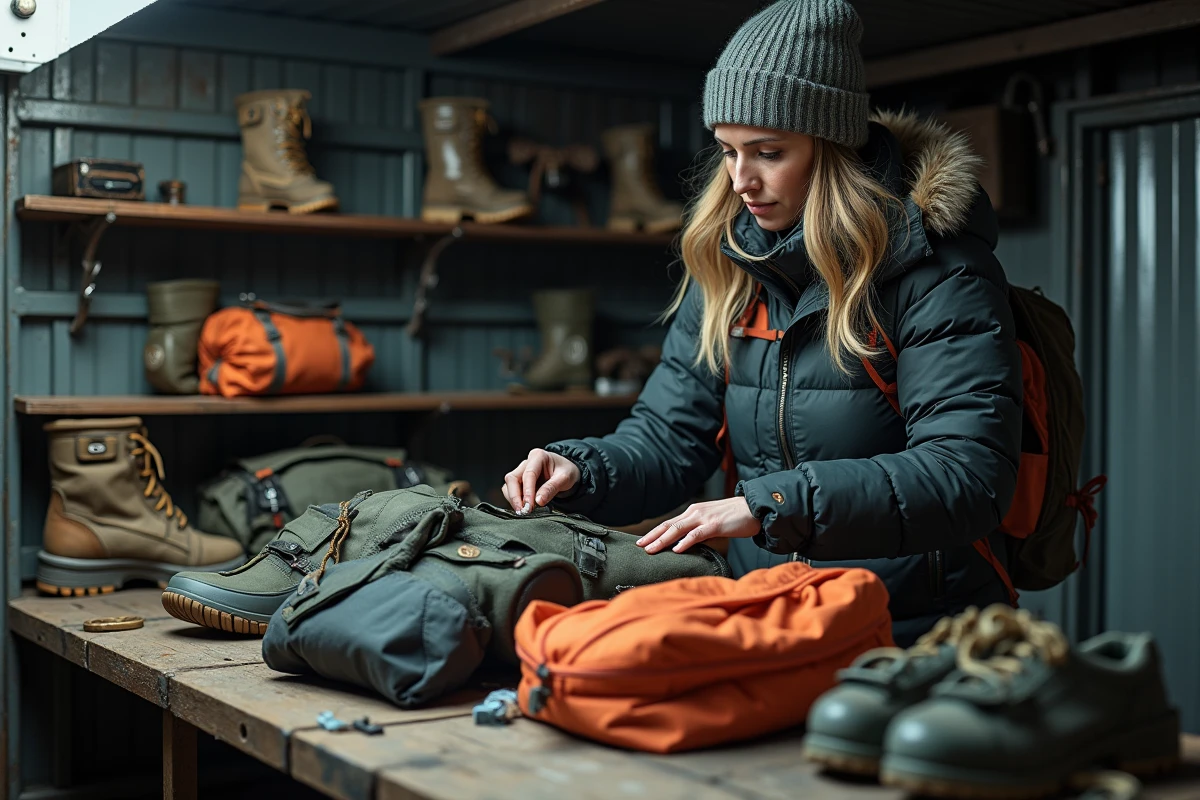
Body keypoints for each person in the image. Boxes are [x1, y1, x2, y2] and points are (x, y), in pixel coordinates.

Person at [500, 0, 1023, 645]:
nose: (741, 180)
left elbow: (966, 476)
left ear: (831, 149)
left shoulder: (939, 273)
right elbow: (669, 438)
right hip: (769, 618)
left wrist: (769, 503)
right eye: (727, 151)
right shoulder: (730, 269)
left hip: (911, 632)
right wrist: (582, 469)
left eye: (768, 152)